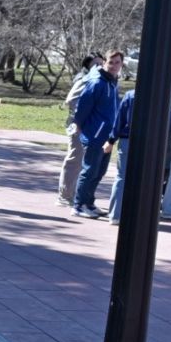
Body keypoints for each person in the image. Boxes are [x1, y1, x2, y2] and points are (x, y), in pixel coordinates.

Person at [106, 89, 171, 225]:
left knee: (122, 177)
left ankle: (115, 215)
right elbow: (169, 123)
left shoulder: (130, 95)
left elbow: (120, 118)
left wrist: (111, 139)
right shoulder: (162, 97)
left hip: (127, 140)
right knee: (146, 179)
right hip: (151, 142)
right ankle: (139, 216)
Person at [72, 50, 123, 219]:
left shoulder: (113, 83)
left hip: (107, 137)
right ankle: (78, 205)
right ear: (104, 63)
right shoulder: (97, 82)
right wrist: (78, 124)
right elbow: (83, 106)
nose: (114, 66)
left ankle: (89, 202)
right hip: (94, 134)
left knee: (99, 171)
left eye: (117, 62)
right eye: (111, 62)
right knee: (90, 170)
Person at [57, 53, 105, 207]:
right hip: (77, 124)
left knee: (85, 161)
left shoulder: (98, 79)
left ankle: (76, 195)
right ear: (88, 65)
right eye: (96, 63)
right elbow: (71, 100)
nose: (99, 66)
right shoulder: (84, 78)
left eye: (101, 63)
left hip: (90, 126)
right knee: (75, 159)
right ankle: (65, 196)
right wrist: (81, 116)